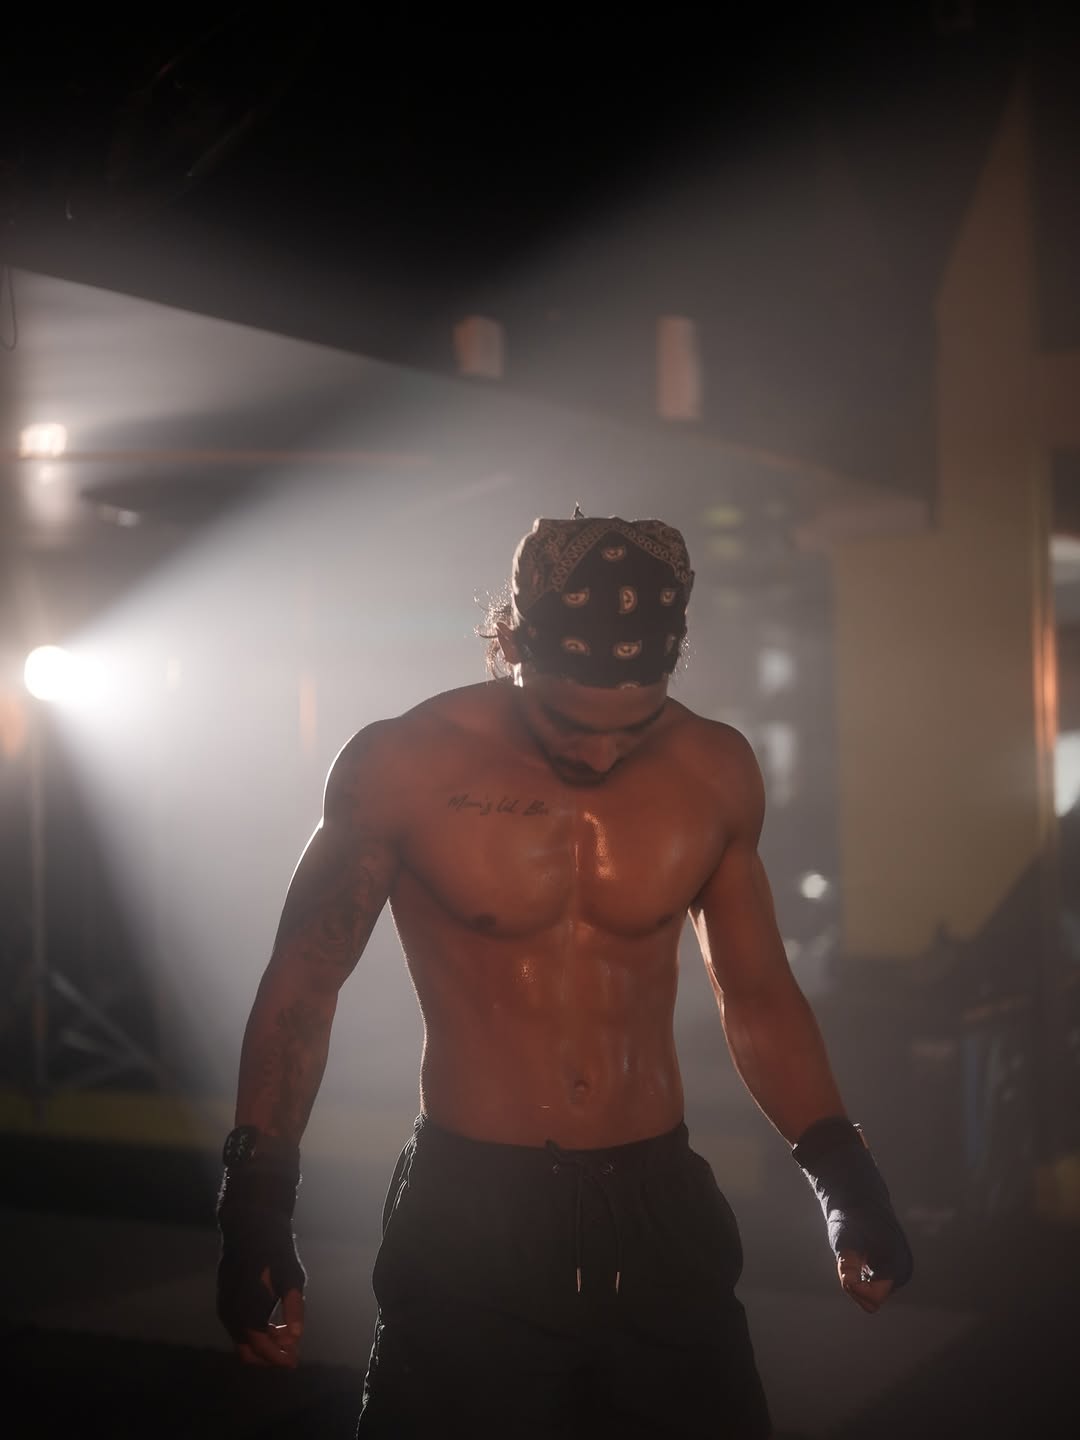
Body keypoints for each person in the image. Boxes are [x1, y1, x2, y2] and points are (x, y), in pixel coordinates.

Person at [216, 512, 913, 1438]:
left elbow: (755, 993)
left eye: (631, 726)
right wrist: (256, 1202)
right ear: (511, 645)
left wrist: (847, 1181)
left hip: (660, 1210)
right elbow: (306, 982)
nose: (598, 754)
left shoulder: (713, 770)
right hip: (474, 1213)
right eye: (570, 722)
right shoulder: (403, 765)